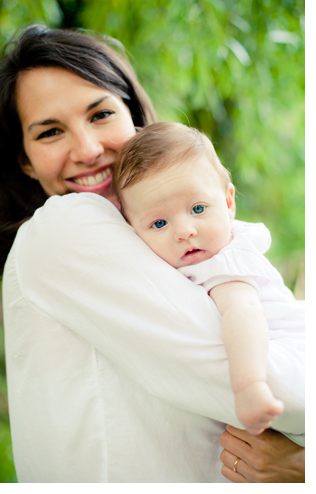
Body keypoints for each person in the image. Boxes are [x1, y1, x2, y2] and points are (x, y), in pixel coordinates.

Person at [0, 25, 305, 482]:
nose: (88, 150)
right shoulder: (63, 229)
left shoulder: (173, 244)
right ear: (25, 160)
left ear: (134, 115)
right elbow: (279, 387)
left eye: (101, 114)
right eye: (50, 132)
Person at [111, 121, 304, 440]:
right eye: (159, 223)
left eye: (198, 208)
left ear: (229, 203)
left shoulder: (224, 259)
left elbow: (244, 313)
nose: (184, 230)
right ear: (132, 230)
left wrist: (249, 386)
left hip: (294, 356)